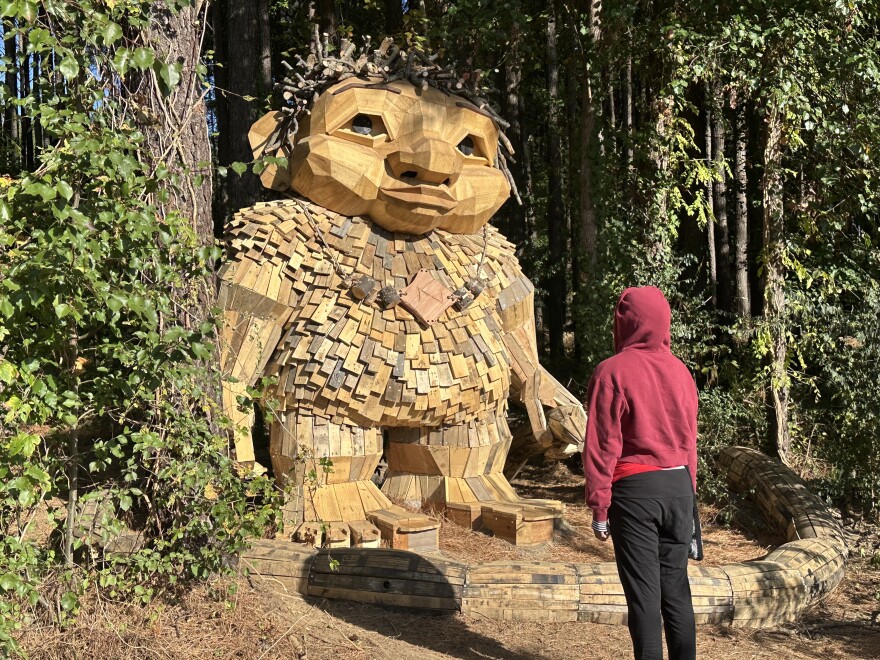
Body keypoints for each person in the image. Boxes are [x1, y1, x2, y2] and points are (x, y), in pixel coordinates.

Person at [583, 286, 698, 660]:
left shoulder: (611, 372)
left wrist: (600, 508)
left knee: (645, 598)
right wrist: (691, 501)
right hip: (680, 489)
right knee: (676, 592)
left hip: (636, 492)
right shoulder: (682, 372)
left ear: (625, 322)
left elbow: (602, 446)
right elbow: (689, 443)